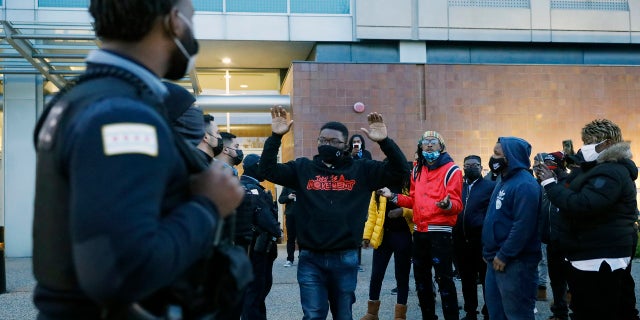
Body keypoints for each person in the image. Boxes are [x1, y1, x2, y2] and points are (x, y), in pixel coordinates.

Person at [31, 0, 245, 318]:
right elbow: (121, 272)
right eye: (191, 18)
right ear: (173, 21)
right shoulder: (122, 113)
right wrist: (209, 205)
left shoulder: (79, 98)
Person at [259, 105, 408, 320]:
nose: (326, 145)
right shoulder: (303, 169)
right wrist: (275, 137)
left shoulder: (362, 170)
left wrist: (384, 141)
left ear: (345, 145)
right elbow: (267, 170)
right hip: (311, 258)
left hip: (345, 258)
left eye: (333, 142)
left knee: (343, 314)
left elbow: (400, 171)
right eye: (322, 140)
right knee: (313, 315)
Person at [534, 119, 638, 320]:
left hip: (600, 257)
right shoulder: (597, 169)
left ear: (607, 144)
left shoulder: (611, 172)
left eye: (589, 141)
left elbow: (582, 204)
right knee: (596, 308)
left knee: (595, 311)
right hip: (591, 254)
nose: (585, 146)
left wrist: (548, 182)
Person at [381, 130, 462, 320]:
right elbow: (413, 201)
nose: (429, 145)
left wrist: (448, 205)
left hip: (440, 232)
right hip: (419, 232)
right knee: (421, 281)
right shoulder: (417, 170)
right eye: (425, 142)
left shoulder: (453, 170)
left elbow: (457, 204)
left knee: (444, 280)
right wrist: (392, 196)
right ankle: (428, 316)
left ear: (441, 146)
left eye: (433, 142)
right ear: (420, 146)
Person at [482, 137, 542, 320]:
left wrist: (505, 254)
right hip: (495, 260)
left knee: (518, 315)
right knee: (496, 314)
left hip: (515, 263)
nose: (493, 158)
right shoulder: (503, 180)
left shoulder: (525, 184)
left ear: (512, 157)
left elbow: (523, 225)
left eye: (497, 154)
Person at [360, 165, 414, 320]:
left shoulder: (409, 187)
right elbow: (372, 215)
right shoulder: (378, 190)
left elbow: (419, 209)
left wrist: (402, 211)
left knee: (401, 276)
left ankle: (400, 315)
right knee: (376, 274)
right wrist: (366, 236)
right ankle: (372, 313)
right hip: (384, 236)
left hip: (403, 236)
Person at [237, 154, 281, 320]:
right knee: (256, 290)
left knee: (255, 291)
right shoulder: (252, 189)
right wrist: (279, 231)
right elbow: (264, 217)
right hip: (257, 248)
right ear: (254, 166)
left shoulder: (241, 186)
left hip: (249, 247)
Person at [452, 155, 495, 320]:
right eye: (467, 165)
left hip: (481, 241)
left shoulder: (490, 186)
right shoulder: (458, 187)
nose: (471, 168)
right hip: (460, 241)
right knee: (467, 279)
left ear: (480, 166)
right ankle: (470, 312)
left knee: (486, 279)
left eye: (474, 165)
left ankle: (489, 311)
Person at [535, 151, 570, 320]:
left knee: (572, 279)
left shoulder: (568, 183)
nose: (549, 171)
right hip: (550, 239)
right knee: (556, 279)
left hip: (568, 240)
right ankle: (560, 312)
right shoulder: (540, 184)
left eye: (552, 167)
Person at [278, 186, 298, 267]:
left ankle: (303, 259)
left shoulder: (304, 183)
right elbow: (280, 200)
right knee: (290, 238)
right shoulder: (287, 186)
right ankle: (290, 259)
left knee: (304, 238)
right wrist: (288, 197)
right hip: (290, 215)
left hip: (303, 215)